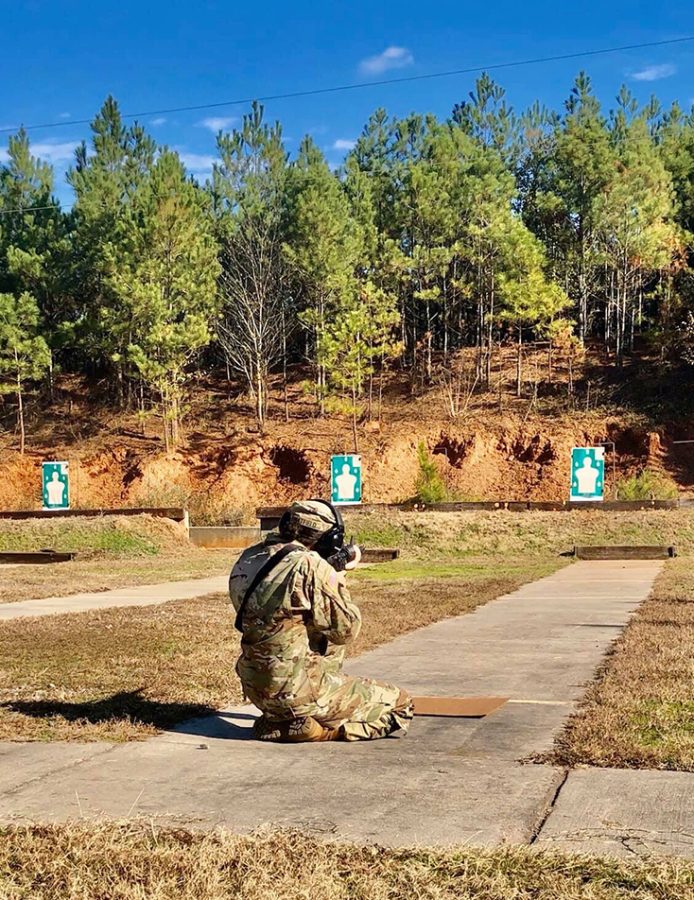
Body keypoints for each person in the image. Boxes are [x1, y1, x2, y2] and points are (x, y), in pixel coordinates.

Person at [229, 499, 413, 742]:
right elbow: (346, 630)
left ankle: (280, 719)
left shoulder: (249, 558)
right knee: (401, 704)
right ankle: (323, 730)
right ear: (329, 539)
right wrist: (337, 579)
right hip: (298, 691)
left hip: (256, 686)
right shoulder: (311, 566)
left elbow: (277, 607)